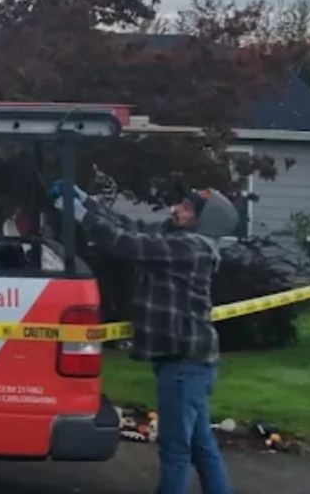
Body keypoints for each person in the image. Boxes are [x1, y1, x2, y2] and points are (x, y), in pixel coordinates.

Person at [61, 183, 237, 494]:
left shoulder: (193, 247)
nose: (176, 210)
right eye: (180, 204)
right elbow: (133, 226)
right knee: (200, 446)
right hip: (189, 362)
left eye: (186, 209)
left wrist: (78, 215)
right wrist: (87, 201)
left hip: (184, 363)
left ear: (203, 221)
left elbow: (129, 243)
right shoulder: (176, 236)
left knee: (176, 451)